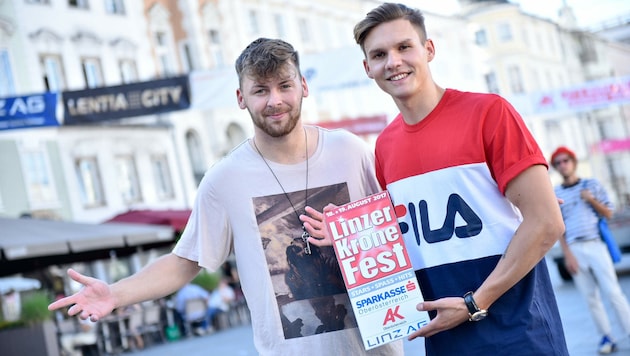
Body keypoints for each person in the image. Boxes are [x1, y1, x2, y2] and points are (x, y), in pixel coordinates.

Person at [48, 38, 402, 355]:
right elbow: (185, 261)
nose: (275, 100)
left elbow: (396, 229)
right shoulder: (224, 178)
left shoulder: (349, 151)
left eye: (284, 86)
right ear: (240, 98)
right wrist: (115, 294)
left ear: (304, 87)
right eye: (260, 90)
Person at [347, 3, 568, 355]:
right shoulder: (385, 147)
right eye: (379, 54)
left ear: (429, 50)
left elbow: (546, 223)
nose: (393, 62)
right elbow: (406, 240)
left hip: (518, 336)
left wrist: (473, 303)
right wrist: (349, 238)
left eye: (404, 47)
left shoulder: (489, 113)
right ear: (368, 68)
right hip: (445, 343)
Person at [551, 146, 630, 354]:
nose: (562, 165)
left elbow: (609, 213)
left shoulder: (591, 184)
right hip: (574, 249)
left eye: (565, 160)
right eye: (557, 162)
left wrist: (591, 199)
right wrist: (567, 254)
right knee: (590, 297)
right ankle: (606, 337)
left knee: (613, 292)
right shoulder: (556, 193)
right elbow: (559, 226)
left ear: (573, 161)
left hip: (595, 244)